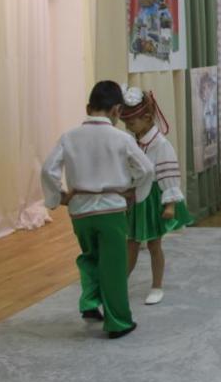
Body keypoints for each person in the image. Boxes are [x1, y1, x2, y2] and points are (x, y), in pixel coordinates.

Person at [40, 80, 154, 339]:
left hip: (80, 212)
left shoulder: (68, 137)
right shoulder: (122, 138)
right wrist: (135, 193)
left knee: (90, 257)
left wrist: (58, 197)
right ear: (117, 110)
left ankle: (90, 303)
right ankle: (118, 322)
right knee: (113, 266)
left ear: (88, 107)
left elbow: (48, 170)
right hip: (110, 211)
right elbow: (146, 169)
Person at [119, 86, 193, 306]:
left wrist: (170, 204)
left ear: (147, 118)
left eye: (131, 122)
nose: (128, 126)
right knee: (131, 243)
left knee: (154, 245)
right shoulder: (131, 141)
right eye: (125, 122)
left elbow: (169, 174)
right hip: (135, 197)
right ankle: (119, 284)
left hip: (152, 198)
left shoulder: (160, 144)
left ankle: (157, 285)